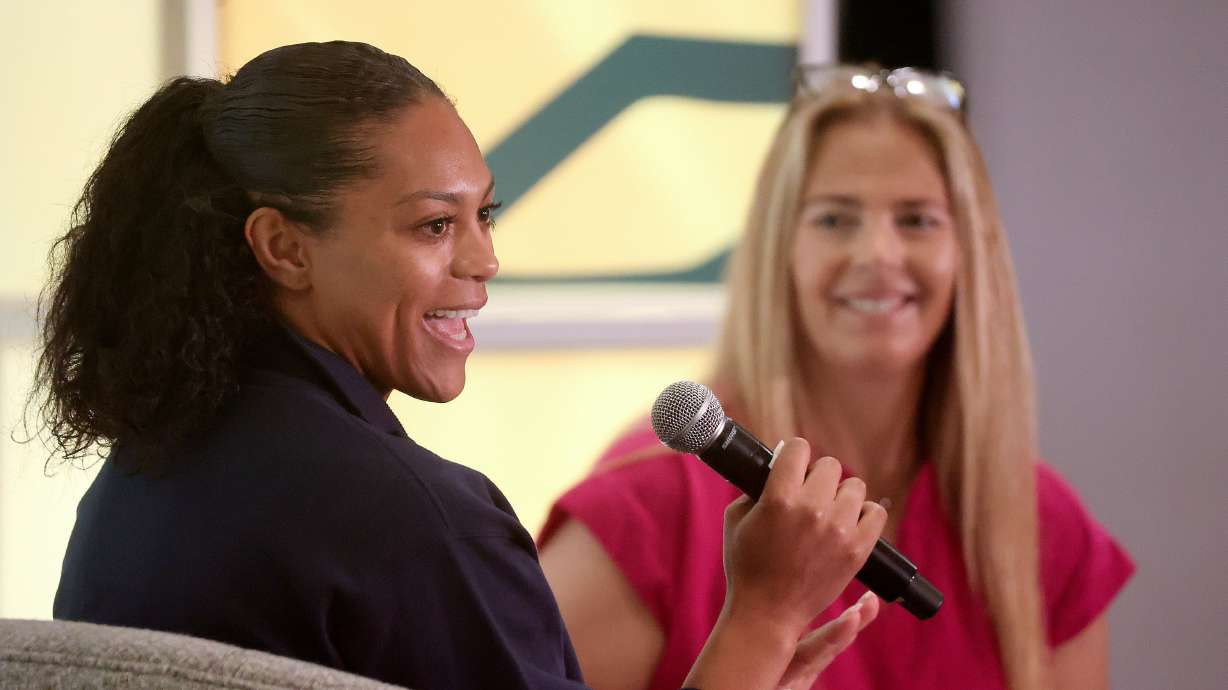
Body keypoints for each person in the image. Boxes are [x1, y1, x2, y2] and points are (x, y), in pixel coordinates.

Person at [37, 42, 888, 690]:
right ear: (283, 247)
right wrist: (766, 614)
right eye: (434, 227)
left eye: (486, 215)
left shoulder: (146, 472)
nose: (484, 260)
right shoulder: (408, 517)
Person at [538, 66, 1136, 690]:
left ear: (970, 253)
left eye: (917, 220)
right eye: (834, 219)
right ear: (781, 252)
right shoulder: (648, 504)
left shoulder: (1041, 521)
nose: (878, 254)